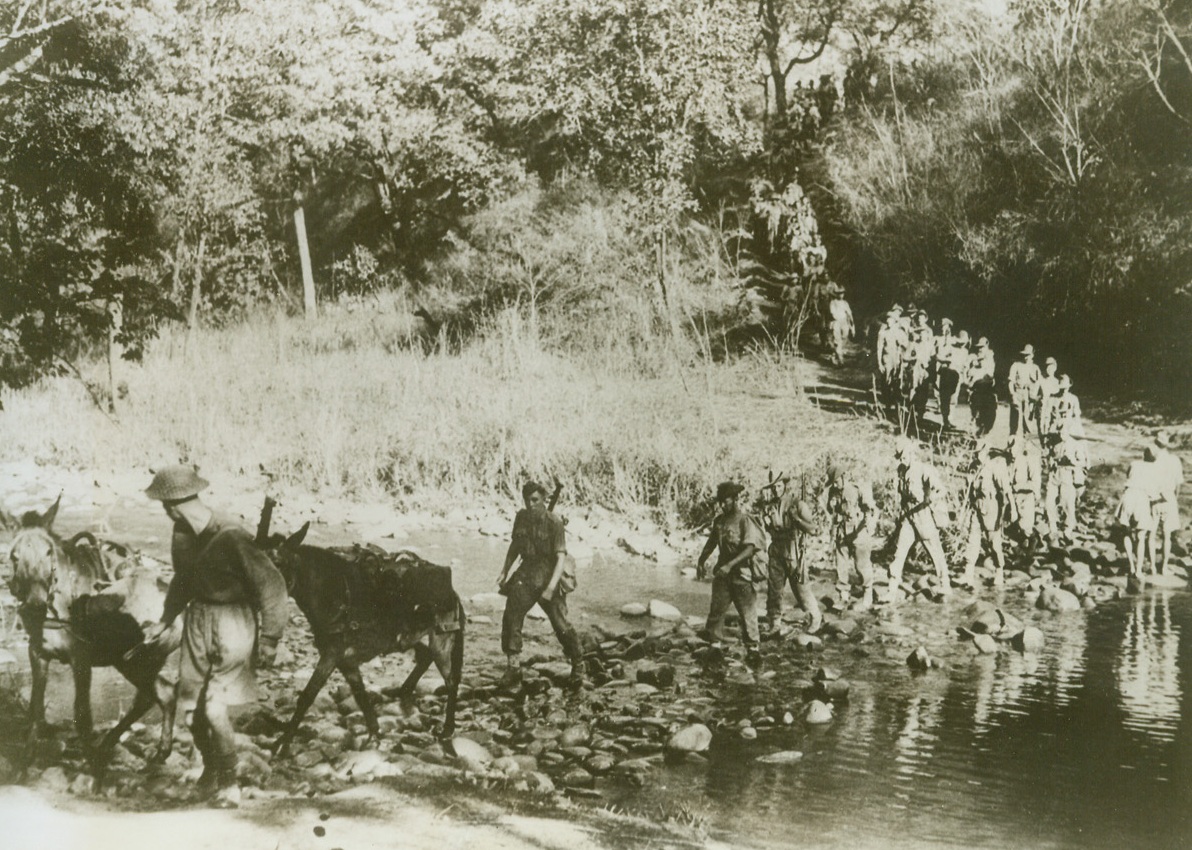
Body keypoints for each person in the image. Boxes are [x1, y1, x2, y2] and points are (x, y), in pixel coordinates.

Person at [140, 465, 289, 808]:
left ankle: (229, 783)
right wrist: (165, 620)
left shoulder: (231, 534)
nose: (165, 511)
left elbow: (272, 585)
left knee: (214, 708)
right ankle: (211, 770)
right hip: (197, 621)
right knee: (191, 710)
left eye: (164, 504)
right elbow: (181, 581)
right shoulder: (181, 533)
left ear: (170, 505)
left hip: (232, 621)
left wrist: (270, 638)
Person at [497, 482, 583, 688]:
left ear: (544, 499)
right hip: (526, 573)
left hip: (549, 574)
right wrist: (504, 570)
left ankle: (578, 664)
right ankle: (514, 668)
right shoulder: (521, 517)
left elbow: (560, 557)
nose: (530, 504)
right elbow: (515, 546)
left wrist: (551, 588)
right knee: (511, 616)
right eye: (527, 500)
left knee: (560, 624)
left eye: (535, 500)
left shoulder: (555, 522)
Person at [696, 482, 766, 666]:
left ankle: (753, 649)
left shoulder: (745, 520)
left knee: (747, 613)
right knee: (716, 610)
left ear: (735, 500)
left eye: (725, 501)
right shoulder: (719, 521)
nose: (722, 505)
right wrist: (701, 561)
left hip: (742, 574)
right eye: (720, 502)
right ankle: (715, 645)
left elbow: (750, 548)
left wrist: (730, 565)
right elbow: (711, 542)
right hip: (724, 574)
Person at [886, 439, 952, 603]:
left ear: (910, 454)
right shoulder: (901, 470)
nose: (901, 460)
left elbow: (942, 489)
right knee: (899, 553)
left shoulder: (924, 469)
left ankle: (945, 584)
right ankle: (892, 590)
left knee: (935, 552)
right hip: (908, 519)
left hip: (923, 517)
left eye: (903, 456)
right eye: (899, 457)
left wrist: (929, 499)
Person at [761, 475, 822, 633]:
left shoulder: (797, 504)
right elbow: (766, 529)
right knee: (774, 588)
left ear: (785, 485)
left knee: (801, 587)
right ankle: (774, 622)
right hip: (776, 550)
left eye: (779, 486)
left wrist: (797, 520)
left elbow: (814, 529)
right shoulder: (769, 507)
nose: (776, 489)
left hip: (793, 550)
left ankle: (815, 617)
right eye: (773, 487)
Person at [960, 443, 1017, 588]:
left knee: (994, 543)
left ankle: (999, 570)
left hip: (991, 509)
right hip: (976, 509)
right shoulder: (973, 467)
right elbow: (969, 491)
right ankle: (968, 575)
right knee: (972, 540)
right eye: (976, 453)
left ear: (986, 453)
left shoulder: (994, 467)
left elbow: (1006, 489)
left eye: (980, 452)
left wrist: (1013, 509)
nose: (977, 455)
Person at [824, 463, 879, 609]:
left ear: (843, 477)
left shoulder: (856, 489)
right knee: (841, 564)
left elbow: (870, 509)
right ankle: (843, 595)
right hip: (842, 532)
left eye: (836, 481)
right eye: (833, 483)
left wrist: (868, 524)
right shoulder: (833, 491)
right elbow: (831, 510)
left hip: (858, 533)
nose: (835, 485)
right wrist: (831, 504)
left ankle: (868, 593)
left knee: (861, 564)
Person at [1115, 449, 1159, 580]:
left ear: (1143, 455)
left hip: (1128, 495)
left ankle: (1131, 566)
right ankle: (1138, 571)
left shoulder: (1134, 463)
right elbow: (1153, 491)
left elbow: (1128, 477)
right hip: (1141, 497)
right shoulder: (1153, 468)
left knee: (1127, 531)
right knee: (1141, 535)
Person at [1044, 432, 1088, 542]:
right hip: (1055, 475)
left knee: (1067, 503)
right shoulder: (1054, 442)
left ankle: (1067, 531)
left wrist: (1072, 461)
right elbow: (1049, 457)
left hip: (1068, 475)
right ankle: (1052, 528)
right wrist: (1051, 462)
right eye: (1059, 429)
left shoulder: (1075, 444)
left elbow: (1083, 462)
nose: (1061, 433)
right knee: (1049, 502)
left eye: (1064, 429)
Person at [1151, 430, 1184, 575]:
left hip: (1153, 497)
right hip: (1169, 497)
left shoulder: (1151, 459)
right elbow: (1178, 484)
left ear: (1156, 443)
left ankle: (1152, 566)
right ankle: (1164, 568)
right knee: (1167, 535)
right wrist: (1174, 499)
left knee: (1151, 534)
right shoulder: (1175, 460)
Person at [1007, 433, 1043, 547]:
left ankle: (1033, 546)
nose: (1012, 450)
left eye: (1015, 447)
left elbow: (1035, 483)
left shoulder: (1028, 460)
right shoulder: (1009, 461)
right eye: (1011, 447)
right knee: (1013, 524)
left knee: (1026, 527)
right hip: (1013, 496)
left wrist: (1019, 486)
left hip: (1025, 496)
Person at [932, 319, 963, 430]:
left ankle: (950, 418)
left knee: (953, 395)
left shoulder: (954, 340)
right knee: (943, 395)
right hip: (942, 370)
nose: (943, 329)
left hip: (954, 371)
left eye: (945, 327)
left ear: (949, 327)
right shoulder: (936, 339)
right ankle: (945, 420)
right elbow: (934, 354)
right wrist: (944, 360)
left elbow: (963, 345)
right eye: (941, 327)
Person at [1008, 344, 1043, 435]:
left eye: (1028, 354)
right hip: (1018, 393)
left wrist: (1037, 397)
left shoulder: (1035, 368)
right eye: (1025, 354)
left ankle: (1025, 446)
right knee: (1014, 422)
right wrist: (1013, 395)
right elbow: (1010, 382)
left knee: (1027, 423)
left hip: (1030, 397)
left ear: (1033, 355)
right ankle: (1012, 445)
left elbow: (1040, 384)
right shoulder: (1016, 365)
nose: (1026, 357)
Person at [967, 337, 998, 436]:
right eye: (978, 347)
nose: (980, 349)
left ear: (987, 345)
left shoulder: (991, 357)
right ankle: (977, 431)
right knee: (976, 412)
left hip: (988, 389)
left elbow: (992, 374)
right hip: (976, 389)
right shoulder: (973, 358)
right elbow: (968, 373)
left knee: (989, 413)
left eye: (982, 347)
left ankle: (985, 431)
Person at [827, 288, 855, 366]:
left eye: (842, 293)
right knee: (837, 340)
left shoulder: (845, 303)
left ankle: (834, 354)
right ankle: (840, 360)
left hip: (844, 322)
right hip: (836, 322)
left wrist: (852, 326)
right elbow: (832, 313)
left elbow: (849, 314)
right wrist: (837, 319)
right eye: (839, 293)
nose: (841, 295)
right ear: (836, 294)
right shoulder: (833, 302)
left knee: (843, 338)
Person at [1037, 357, 1060, 437]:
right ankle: (1043, 446)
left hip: (1053, 410)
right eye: (1047, 367)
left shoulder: (1057, 382)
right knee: (1041, 428)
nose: (1049, 369)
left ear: (1055, 368)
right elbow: (1036, 394)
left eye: (1051, 367)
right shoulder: (1041, 380)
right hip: (1042, 409)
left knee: (1052, 428)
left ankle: (1049, 447)